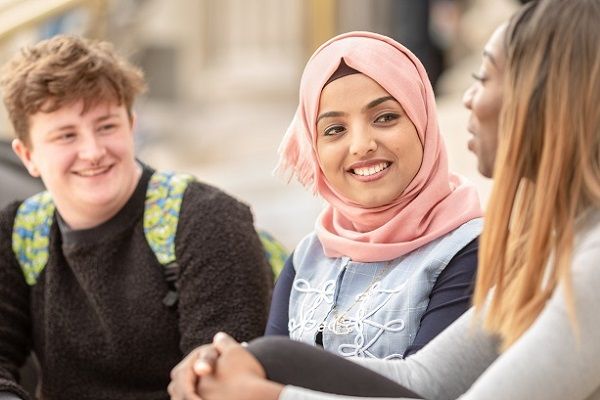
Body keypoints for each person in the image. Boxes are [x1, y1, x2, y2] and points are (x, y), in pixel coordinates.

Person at [169, 0, 600, 399]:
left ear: (546, 101)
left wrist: (270, 395)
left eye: (482, 78)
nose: (466, 98)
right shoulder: (555, 245)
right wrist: (235, 360)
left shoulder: (573, 261)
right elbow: (424, 380)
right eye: (333, 129)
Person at [169, 29, 485, 397]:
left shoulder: (469, 249)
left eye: (384, 117)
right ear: (314, 147)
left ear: (423, 121)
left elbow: (433, 389)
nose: (362, 145)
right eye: (334, 129)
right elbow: (260, 374)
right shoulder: (309, 257)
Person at [0, 35, 273, 400]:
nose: (93, 151)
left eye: (106, 126)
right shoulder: (19, 233)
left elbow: (224, 383)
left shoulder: (208, 219)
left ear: (131, 125)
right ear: (27, 155)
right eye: (66, 135)